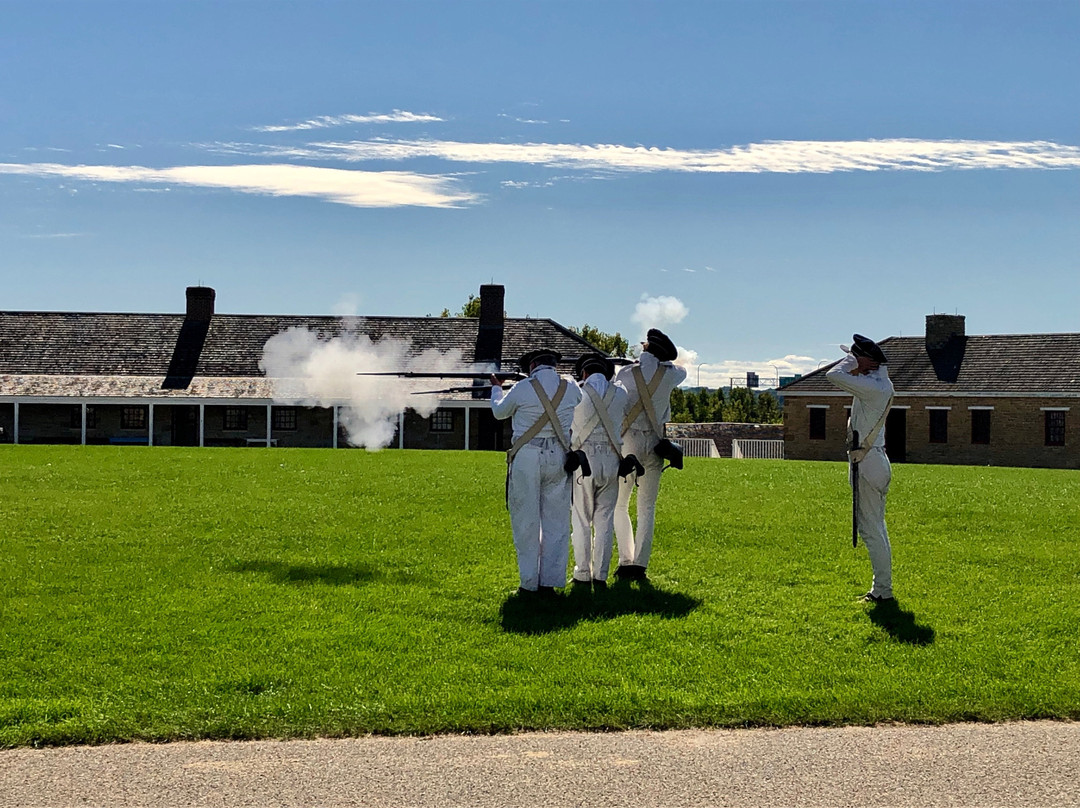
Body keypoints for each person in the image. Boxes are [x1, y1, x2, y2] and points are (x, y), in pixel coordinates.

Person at [490, 348, 582, 596]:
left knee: (526, 522)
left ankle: (528, 583)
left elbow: (499, 412)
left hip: (528, 456)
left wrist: (497, 388)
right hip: (560, 456)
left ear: (531, 366)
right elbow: (579, 398)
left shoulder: (522, 388)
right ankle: (549, 582)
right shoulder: (570, 387)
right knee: (556, 523)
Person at [613, 328, 687, 581]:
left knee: (620, 504)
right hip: (655, 441)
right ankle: (640, 564)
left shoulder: (625, 372)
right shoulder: (671, 374)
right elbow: (682, 371)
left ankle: (625, 560)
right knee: (647, 508)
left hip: (628, 440)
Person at [826, 334, 896, 602]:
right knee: (876, 527)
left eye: (856, 359)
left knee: (872, 530)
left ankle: (882, 591)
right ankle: (882, 589)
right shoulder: (877, 384)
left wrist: (851, 362)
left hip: (868, 462)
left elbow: (834, 375)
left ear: (866, 361)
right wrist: (857, 362)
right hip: (870, 460)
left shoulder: (874, 387)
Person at [569, 353, 630, 590]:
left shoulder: (577, 392)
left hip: (585, 460)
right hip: (612, 460)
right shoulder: (620, 393)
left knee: (582, 519)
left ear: (584, 373)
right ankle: (601, 575)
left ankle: (583, 572)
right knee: (604, 521)